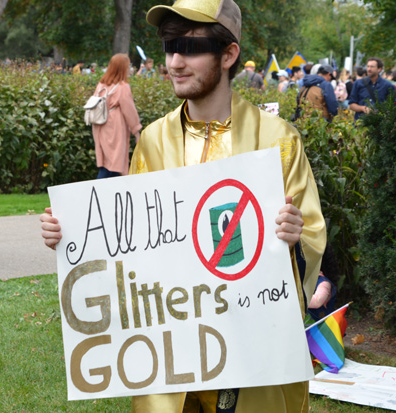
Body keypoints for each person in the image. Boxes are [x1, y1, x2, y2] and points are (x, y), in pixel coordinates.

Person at [40, 0, 326, 411]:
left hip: (249, 350)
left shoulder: (278, 141)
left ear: (228, 54)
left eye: (192, 47)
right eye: (170, 45)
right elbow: (132, 240)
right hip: (171, 360)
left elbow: (312, 236)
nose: (175, 61)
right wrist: (72, 235)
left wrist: (295, 237)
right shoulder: (153, 141)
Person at [91, 53, 142, 178]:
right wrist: (136, 132)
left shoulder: (101, 85)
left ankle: (108, 194)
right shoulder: (123, 87)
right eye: (128, 65)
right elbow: (129, 110)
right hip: (114, 127)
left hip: (100, 125)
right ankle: (97, 194)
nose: (130, 68)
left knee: (108, 162)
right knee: (113, 164)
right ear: (122, 68)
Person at [308, 243, 338, 321]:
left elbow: (317, 301)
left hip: (322, 328)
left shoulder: (324, 283)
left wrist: (295, 298)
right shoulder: (306, 282)